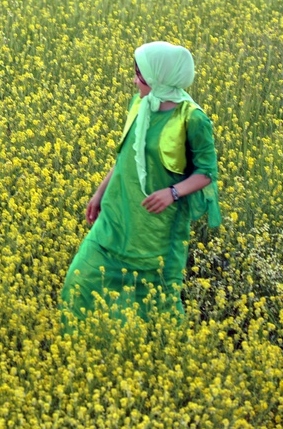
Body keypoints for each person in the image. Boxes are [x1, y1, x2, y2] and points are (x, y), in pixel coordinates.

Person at [60, 41, 220, 325]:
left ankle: (155, 356)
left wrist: (173, 192)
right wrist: (99, 193)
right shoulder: (140, 104)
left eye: (140, 75)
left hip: (155, 228)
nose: (135, 80)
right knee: (80, 280)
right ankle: (87, 349)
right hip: (117, 213)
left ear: (160, 77)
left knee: (156, 300)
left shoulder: (192, 118)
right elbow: (127, 156)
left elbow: (207, 172)